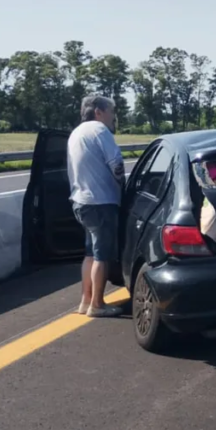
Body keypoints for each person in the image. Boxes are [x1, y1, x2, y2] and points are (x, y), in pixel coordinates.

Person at [67, 95, 125, 318]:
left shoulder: (77, 133)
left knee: (90, 254)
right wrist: (123, 186)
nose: (113, 116)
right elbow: (117, 165)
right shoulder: (100, 131)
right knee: (102, 255)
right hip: (101, 202)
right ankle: (98, 305)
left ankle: (85, 301)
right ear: (99, 111)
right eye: (111, 111)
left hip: (81, 201)